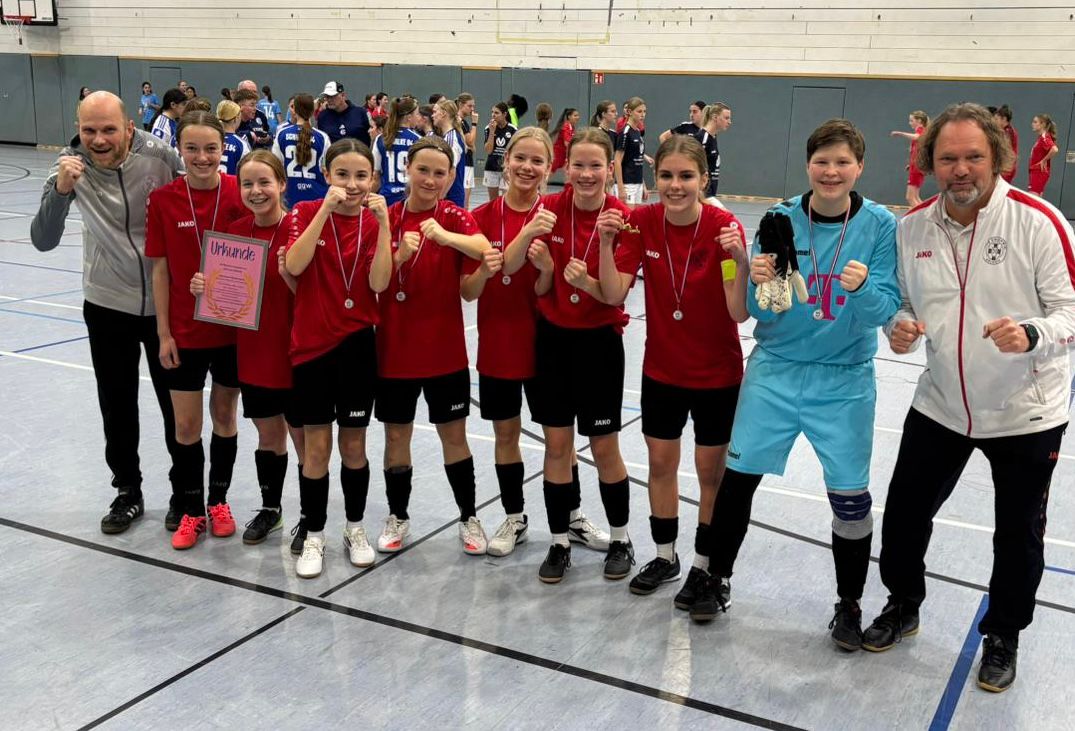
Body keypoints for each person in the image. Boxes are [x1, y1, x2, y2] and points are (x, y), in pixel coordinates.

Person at [865, 102, 1075, 692]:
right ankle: (903, 603)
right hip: (941, 403)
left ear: (997, 158)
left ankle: (1003, 633)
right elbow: (905, 302)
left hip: (1025, 411)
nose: (961, 170)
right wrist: (899, 326)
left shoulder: (1039, 221)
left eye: (973, 157)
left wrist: (1031, 333)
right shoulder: (912, 227)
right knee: (904, 516)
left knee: (1018, 533)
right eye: (948, 158)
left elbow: (1070, 311)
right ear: (931, 162)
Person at [691, 120, 899, 657]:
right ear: (808, 165)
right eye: (821, 161)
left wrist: (863, 288)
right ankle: (717, 578)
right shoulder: (779, 218)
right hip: (776, 370)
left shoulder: (879, 225)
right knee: (737, 482)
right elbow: (760, 311)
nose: (831, 172)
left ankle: (849, 603)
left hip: (845, 379)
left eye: (842, 162)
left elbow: (885, 310)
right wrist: (759, 280)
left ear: (860, 167)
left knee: (850, 498)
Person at [597, 135, 750, 600]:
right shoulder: (642, 223)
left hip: (716, 375)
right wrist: (606, 244)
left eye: (686, 176)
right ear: (655, 177)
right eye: (666, 175)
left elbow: (738, 312)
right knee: (661, 464)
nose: (675, 185)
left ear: (704, 179)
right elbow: (613, 293)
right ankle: (665, 556)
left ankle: (704, 566)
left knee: (710, 473)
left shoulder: (724, 228)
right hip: (662, 371)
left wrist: (739, 261)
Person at [31, 91, 182, 535]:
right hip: (107, 303)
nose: (98, 140)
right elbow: (43, 239)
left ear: (129, 127)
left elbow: (197, 198)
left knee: (177, 405)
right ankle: (127, 491)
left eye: (108, 130)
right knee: (116, 404)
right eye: (89, 130)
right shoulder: (69, 165)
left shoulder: (160, 156)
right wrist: (61, 190)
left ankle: (185, 491)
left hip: (166, 307)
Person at [463, 127, 604, 557]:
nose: (527, 167)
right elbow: (469, 290)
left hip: (549, 345)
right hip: (498, 342)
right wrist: (491, 266)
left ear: (549, 168)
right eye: (520, 158)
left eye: (537, 161)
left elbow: (560, 282)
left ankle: (573, 515)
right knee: (506, 434)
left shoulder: (559, 215)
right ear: (506, 161)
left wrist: (547, 271)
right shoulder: (482, 218)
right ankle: (514, 516)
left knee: (560, 440)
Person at [507, 127, 632, 583]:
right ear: (565, 167)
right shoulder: (547, 210)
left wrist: (590, 275)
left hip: (599, 344)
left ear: (609, 168)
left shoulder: (622, 218)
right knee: (557, 446)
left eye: (595, 165)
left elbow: (615, 295)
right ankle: (559, 542)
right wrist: (540, 259)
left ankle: (620, 539)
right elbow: (521, 271)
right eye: (578, 164)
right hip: (553, 342)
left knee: (604, 446)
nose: (586, 173)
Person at [374, 136, 492, 555]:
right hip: (394, 352)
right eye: (422, 170)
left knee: (454, 437)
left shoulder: (455, 217)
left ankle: (469, 517)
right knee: (396, 438)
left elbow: (482, 250)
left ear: (451, 176)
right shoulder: (386, 218)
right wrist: (399, 256)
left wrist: (445, 237)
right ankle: (398, 515)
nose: (430, 179)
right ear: (407, 169)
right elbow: (375, 283)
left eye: (439, 173)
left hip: (445, 352)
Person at [284, 139, 392, 577]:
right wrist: (324, 211)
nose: (351, 184)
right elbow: (294, 265)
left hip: (357, 347)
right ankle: (314, 534)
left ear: (373, 180)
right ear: (326, 175)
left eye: (361, 176)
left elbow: (380, 283)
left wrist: (385, 226)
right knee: (316, 448)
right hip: (312, 346)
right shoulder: (305, 211)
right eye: (342, 175)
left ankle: (354, 527)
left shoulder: (375, 221)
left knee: (353, 446)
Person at [189, 150, 306, 544]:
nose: (256, 191)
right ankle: (271, 509)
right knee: (268, 437)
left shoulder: (300, 230)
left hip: (297, 353)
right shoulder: (234, 234)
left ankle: (311, 518)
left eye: (264, 182)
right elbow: (225, 294)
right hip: (254, 353)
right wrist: (204, 287)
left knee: (305, 440)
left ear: (282, 184)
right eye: (247, 184)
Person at [146, 111, 248, 550]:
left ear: (223, 149)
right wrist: (164, 334)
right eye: (192, 148)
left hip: (232, 333)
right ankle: (191, 510)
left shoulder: (240, 192)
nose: (202, 157)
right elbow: (160, 270)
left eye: (211, 148)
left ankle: (218, 502)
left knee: (225, 417)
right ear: (179, 150)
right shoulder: (164, 199)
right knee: (186, 426)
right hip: (185, 333)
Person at [272, 93, 331, 207]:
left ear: (295, 110)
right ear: (312, 111)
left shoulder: (282, 134)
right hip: (317, 198)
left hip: (289, 197)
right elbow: (328, 169)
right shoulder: (322, 137)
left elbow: (275, 166)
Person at [372, 95, 422, 207]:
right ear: (409, 117)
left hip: (386, 199)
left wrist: (366, 197)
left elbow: (376, 177)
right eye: (417, 114)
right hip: (410, 199)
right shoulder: (418, 140)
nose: (419, 117)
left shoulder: (381, 139)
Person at [433, 98, 467, 208]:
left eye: (435, 112)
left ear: (443, 114)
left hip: (451, 198)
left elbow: (451, 173)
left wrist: (439, 198)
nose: (433, 116)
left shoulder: (451, 140)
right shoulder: (447, 137)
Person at [890, 111, 928, 207]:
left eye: (911, 120)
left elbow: (916, 137)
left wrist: (900, 133)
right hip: (916, 166)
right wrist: (910, 164)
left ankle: (922, 216)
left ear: (919, 121)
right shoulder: (922, 131)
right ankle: (926, 214)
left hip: (917, 168)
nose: (910, 123)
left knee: (910, 197)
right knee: (915, 197)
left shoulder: (921, 131)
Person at [615, 97, 648, 206]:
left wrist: (643, 185)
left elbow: (638, 160)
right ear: (629, 112)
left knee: (637, 216)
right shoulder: (625, 133)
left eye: (644, 111)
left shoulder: (638, 132)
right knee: (627, 215)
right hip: (627, 183)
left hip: (637, 182)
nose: (643, 115)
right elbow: (617, 160)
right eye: (639, 111)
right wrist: (621, 188)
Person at [695, 104, 732, 198]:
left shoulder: (713, 137)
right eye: (726, 118)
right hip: (702, 194)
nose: (729, 122)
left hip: (710, 193)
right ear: (715, 117)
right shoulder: (702, 138)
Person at [317, 81, 372, 146]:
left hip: (359, 152)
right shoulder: (322, 117)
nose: (329, 99)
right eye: (327, 96)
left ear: (343, 95)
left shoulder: (361, 113)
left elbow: (372, 138)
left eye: (332, 96)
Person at [483, 101, 517, 201]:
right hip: (491, 167)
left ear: (504, 114)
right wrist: (492, 131)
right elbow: (488, 151)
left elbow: (515, 151)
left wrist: (508, 166)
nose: (493, 115)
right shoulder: (488, 128)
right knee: (493, 201)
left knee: (506, 199)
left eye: (496, 113)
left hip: (506, 169)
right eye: (492, 112)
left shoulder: (513, 130)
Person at [216, 100, 250, 176]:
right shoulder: (241, 144)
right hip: (232, 183)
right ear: (236, 118)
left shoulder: (210, 140)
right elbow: (248, 172)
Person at [1028, 113, 1059, 197]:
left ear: (1043, 124)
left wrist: (1044, 160)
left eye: (1035, 122)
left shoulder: (1044, 137)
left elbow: (1054, 149)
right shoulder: (1041, 137)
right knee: (1036, 198)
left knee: (1032, 198)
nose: (1032, 124)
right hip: (1036, 171)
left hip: (1039, 172)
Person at [456, 93, 478, 208]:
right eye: (469, 106)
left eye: (473, 106)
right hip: (465, 163)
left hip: (464, 161)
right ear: (460, 105)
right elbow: (470, 141)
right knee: (464, 200)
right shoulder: (460, 121)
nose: (472, 109)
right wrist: (474, 123)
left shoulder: (461, 121)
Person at [992, 105, 1018, 183]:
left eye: (996, 119)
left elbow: (1004, 151)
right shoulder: (1004, 131)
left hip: (1005, 169)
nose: (993, 121)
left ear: (1004, 119)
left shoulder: (1008, 133)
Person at [550, 107, 579, 174]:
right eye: (575, 115)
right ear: (569, 117)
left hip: (564, 155)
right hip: (558, 155)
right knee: (549, 172)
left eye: (578, 115)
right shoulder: (566, 126)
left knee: (569, 172)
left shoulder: (572, 127)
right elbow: (567, 143)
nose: (578, 117)